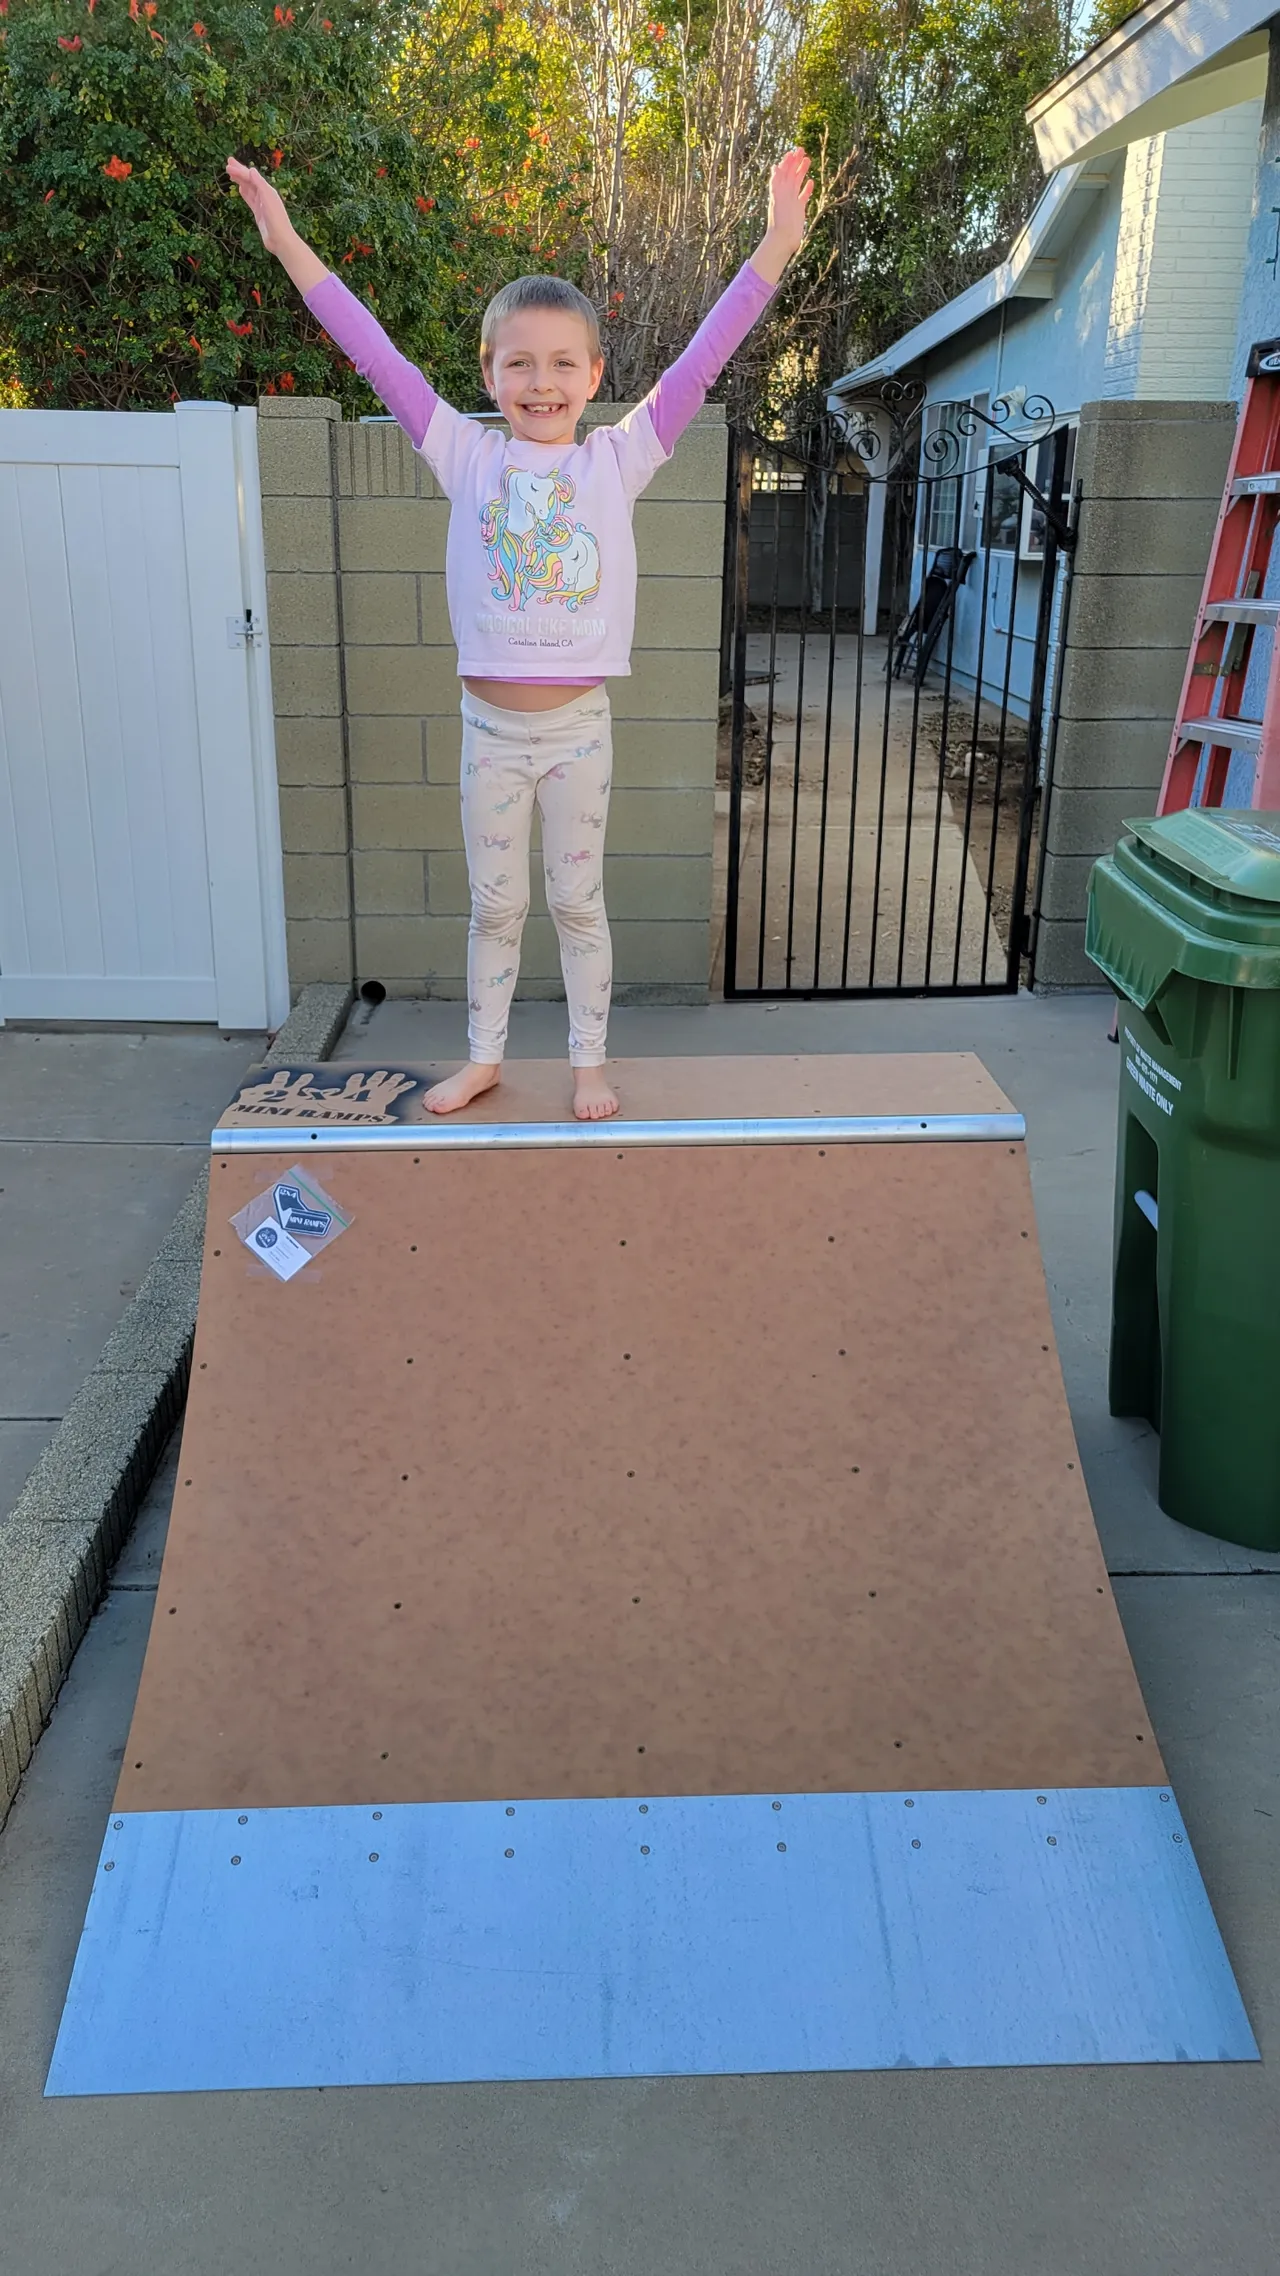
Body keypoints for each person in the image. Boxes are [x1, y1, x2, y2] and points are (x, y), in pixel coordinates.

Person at [228, 147, 813, 1119]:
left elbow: (702, 356)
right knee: (495, 906)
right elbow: (373, 349)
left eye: (559, 364)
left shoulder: (618, 459)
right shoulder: (465, 452)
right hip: (489, 734)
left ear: (592, 374)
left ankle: (588, 1060)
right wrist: (285, 240)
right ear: (489, 373)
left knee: (576, 904)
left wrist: (776, 243)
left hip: (577, 730)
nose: (539, 383)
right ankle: (484, 1055)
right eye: (517, 364)